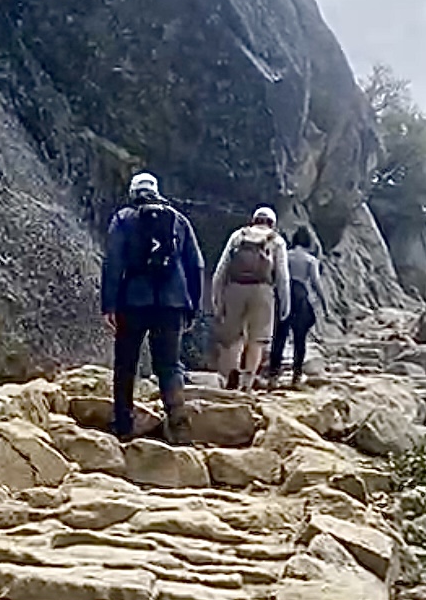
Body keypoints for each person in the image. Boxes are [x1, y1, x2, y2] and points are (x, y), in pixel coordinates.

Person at [102, 172, 204, 444]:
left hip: (132, 302)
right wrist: (192, 306)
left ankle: (123, 424)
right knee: (169, 366)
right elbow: (196, 265)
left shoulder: (124, 219)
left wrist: (108, 305)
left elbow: (113, 262)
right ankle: (179, 427)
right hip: (172, 304)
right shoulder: (178, 220)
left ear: (133, 192)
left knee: (126, 364)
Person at [211, 207, 289, 391]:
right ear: (272, 223)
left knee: (233, 337)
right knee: (257, 339)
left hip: (235, 288)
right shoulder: (276, 240)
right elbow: (282, 276)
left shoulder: (238, 236)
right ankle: (246, 383)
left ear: (254, 219)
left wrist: (217, 297)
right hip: (263, 291)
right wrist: (285, 304)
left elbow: (221, 269)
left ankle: (231, 374)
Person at [268, 226, 325, 388]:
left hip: (283, 295)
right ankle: (296, 374)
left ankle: (273, 375)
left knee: (279, 336)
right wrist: (324, 303)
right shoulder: (310, 260)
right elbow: (316, 283)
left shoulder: (285, 256)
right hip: (300, 297)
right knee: (300, 339)